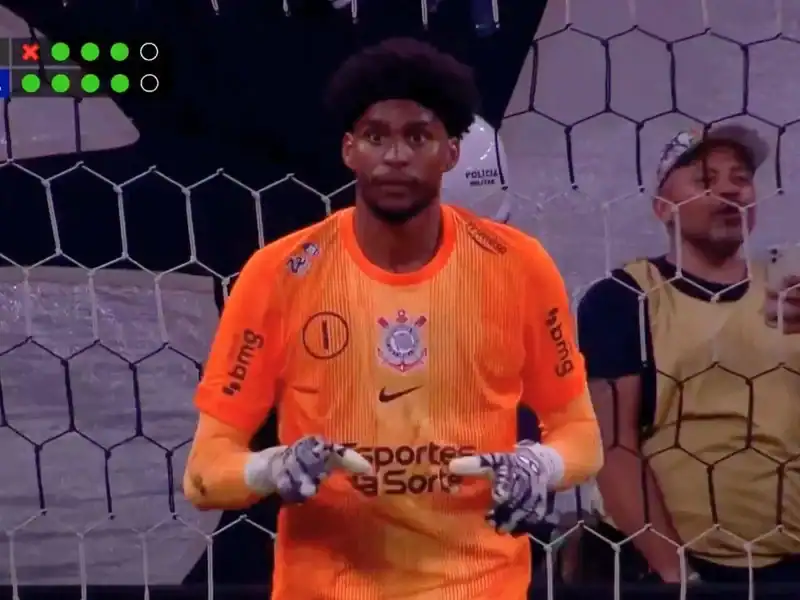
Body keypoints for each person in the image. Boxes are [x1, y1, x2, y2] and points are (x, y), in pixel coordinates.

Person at [182, 37, 602, 599]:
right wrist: (270, 470)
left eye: (418, 136)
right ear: (349, 150)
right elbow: (204, 473)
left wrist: (540, 465)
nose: (396, 155)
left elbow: (580, 435)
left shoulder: (520, 266)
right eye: (376, 136)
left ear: (451, 152)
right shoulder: (278, 273)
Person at [576, 124, 800, 583]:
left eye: (741, 178)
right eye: (705, 179)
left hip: (786, 566)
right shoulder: (625, 298)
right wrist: (675, 574)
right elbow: (612, 449)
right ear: (663, 207)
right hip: (669, 569)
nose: (730, 190)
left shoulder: (787, 290)